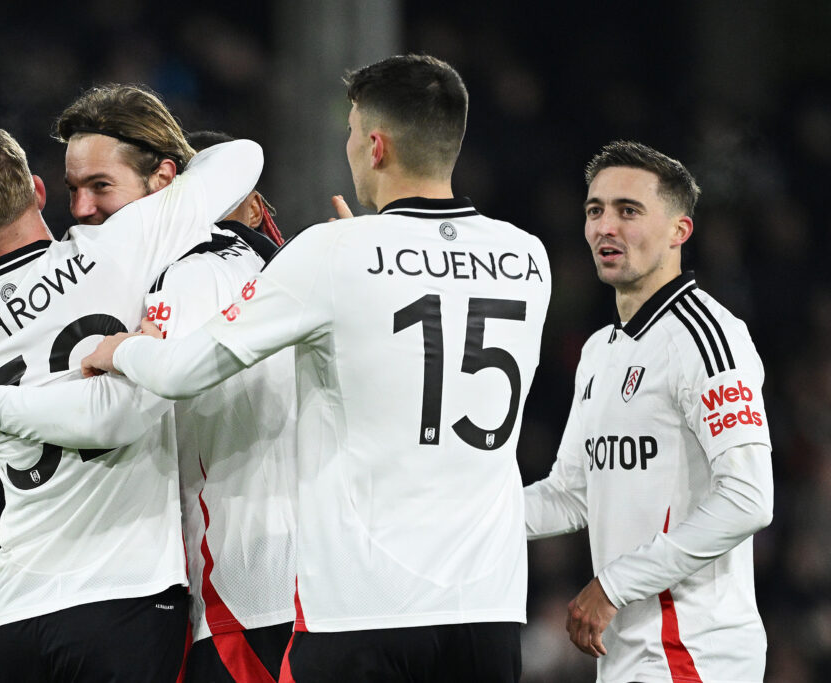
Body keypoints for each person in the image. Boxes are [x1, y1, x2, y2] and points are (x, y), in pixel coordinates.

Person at [81, 54, 552, 683]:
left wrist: (119, 350)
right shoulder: (528, 256)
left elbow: (181, 371)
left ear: (376, 145)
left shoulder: (334, 252)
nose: (350, 146)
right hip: (489, 608)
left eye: (352, 132)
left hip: (364, 607)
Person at [0, 117, 299, 683]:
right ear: (36, 190)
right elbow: (242, 154)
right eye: (71, 189)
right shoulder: (114, 259)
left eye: (99, 186)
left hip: (22, 606)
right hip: (133, 597)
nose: (82, 208)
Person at [523, 141, 773, 682]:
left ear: (679, 231)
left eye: (628, 211)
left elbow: (749, 498)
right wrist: (455, 516)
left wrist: (613, 584)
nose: (605, 227)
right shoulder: (599, 352)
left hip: (694, 653)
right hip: (626, 654)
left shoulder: (707, 338)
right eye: (595, 211)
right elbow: (569, 495)